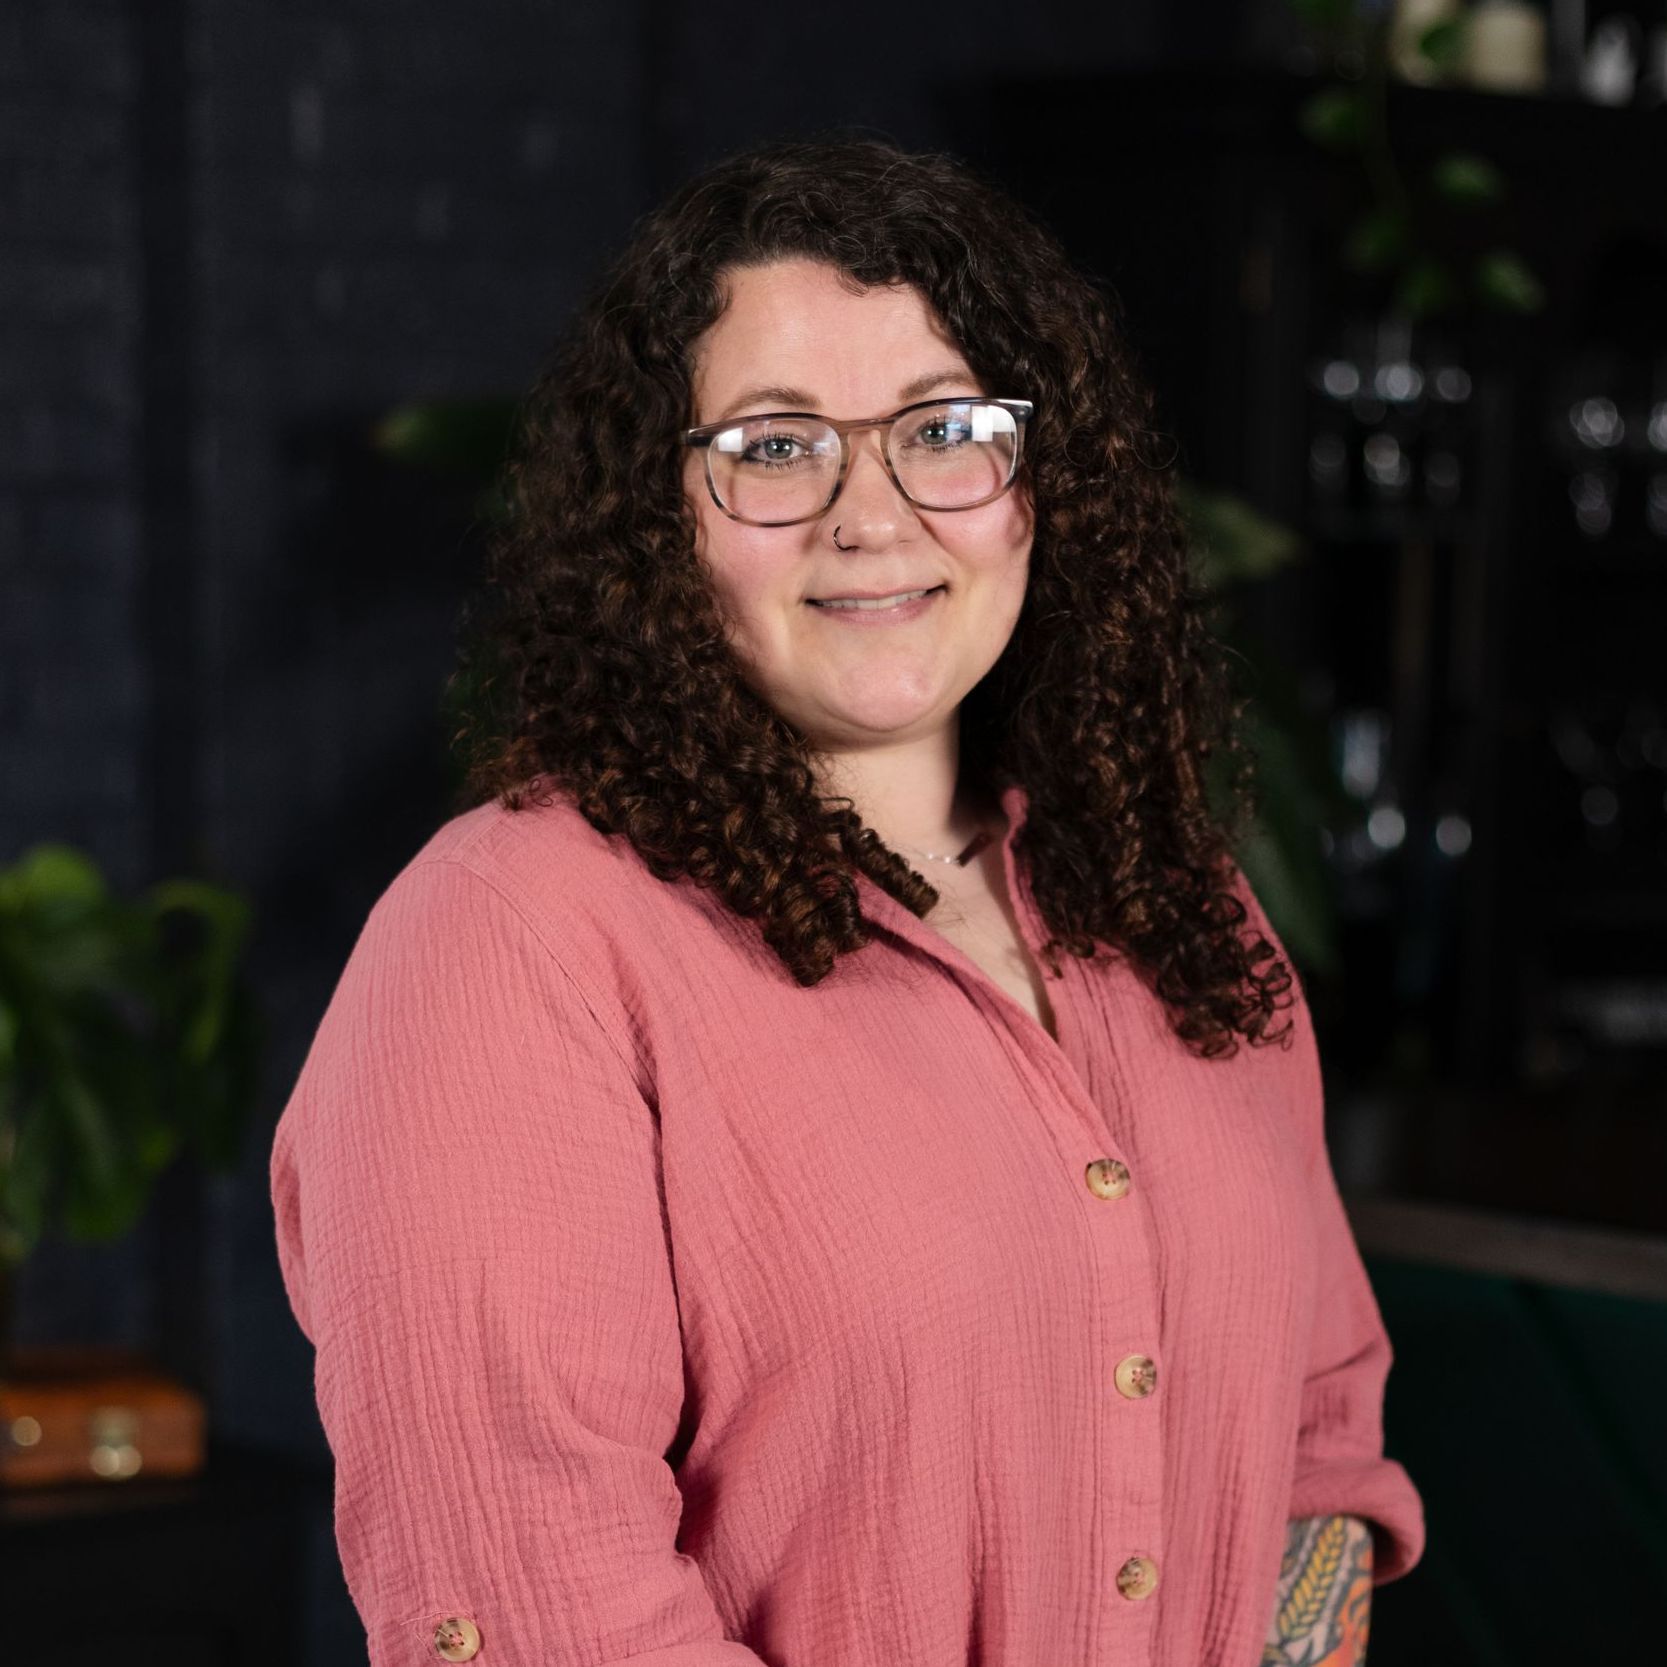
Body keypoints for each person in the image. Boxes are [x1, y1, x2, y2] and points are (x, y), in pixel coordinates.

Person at [269, 132, 1424, 1667]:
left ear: (1037, 483)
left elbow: (1317, 1447)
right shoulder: (509, 941)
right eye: (774, 446)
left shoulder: (1175, 903)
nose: (873, 515)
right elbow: (547, 1607)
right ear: (657, 518)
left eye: (945, 428)